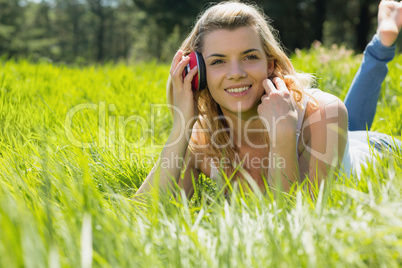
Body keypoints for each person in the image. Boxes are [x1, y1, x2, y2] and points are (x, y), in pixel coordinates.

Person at [136, 0, 402, 197]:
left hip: (374, 151)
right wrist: (184, 122)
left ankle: (382, 44)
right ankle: (383, 41)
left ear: (270, 64)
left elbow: (293, 221)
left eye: (250, 57)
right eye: (218, 61)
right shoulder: (202, 139)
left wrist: (283, 136)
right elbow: (143, 212)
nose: (236, 74)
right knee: (347, 124)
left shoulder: (324, 112)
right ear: (197, 74)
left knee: (343, 120)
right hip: (336, 135)